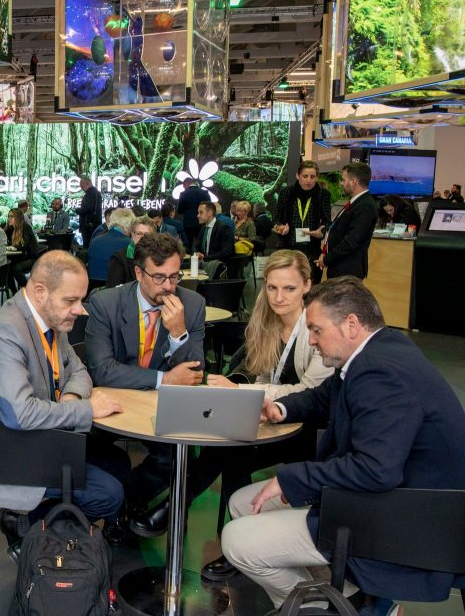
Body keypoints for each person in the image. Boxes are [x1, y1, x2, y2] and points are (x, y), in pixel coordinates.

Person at [221, 277, 465, 610]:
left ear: (351, 324)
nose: (312, 340)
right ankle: (349, 599)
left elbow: (376, 470)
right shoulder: (380, 349)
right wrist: (281, 407)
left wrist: (290, 479)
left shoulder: (380, 373)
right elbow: (324, 399)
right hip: (389, 499)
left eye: (317, 330)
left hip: (400, 516)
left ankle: (328, 608)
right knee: (242, 503)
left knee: (236, 539)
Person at [131, 251, 332, 574]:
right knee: (227, 445)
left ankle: (178, 509)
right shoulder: (266, 322)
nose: (278, 297)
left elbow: (311, 394)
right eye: (271, 288)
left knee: (231, 451)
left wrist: (243, 392)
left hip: (310, 430)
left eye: (289, 289)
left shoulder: (318, 328)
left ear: (307, 285)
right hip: (272, 418)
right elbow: (266, 375)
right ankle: (231, 542)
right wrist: (250, 394)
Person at [0, 250, 129, 557]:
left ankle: (38, 529)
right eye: (71, 300)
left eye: (81, 299)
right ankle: (31, 532)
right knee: (109, 494)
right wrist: (86, 409)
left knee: (119, 464)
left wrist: (72, 397)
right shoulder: (6, 329)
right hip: (3, 452)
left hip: (32, 439)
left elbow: (78, 370)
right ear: (40, 291)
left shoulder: (48, 319)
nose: (81, 310)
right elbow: (19, 414)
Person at [86, 233, 207, 520]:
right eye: (159, 277)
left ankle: (125, 504)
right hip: (111, 403)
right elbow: (102, 370)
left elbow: (195, 374)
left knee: (180, 456)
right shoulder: (106, 303)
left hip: (159, 407)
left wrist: (178, 333)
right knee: (79, 445)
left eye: (174, 277)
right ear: (139, 272)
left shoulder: (192, 305)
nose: (168, 287)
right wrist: (164, 379)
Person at [274, 160, 331, 283]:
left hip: (312, 249)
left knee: (310, 286)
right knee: (288, 284)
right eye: (305, 176)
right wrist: (281, 227)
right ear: (297, 176)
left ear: (317, 177)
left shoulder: (323, 194)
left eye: (312, 177)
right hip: (288, 247)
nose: (308, 180)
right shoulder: (286, 192)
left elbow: (327, 221)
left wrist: (321, 233)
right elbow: (277, 218)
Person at [317, 162, 377, 279]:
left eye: (343, 180)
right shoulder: (356, 202)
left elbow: (351, 241)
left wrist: (327, 259)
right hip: (340, 268)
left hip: (347, 270)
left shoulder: (365, 206)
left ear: (353, 182)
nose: (341, 183)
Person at [106, 216, 156, 287]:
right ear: (132, 235)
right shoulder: (118, 259)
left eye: (147, 235)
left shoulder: (160, 256)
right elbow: (113, 290)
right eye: (139, 233)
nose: (143, 238)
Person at [86, 208, 134, 283]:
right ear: (129, 226)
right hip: (117, 290)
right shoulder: (130, 244)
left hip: (93, 290)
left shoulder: (94, 241)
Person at [4, 207, 40, 292]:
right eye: (9, 216)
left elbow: (23, 246)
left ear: (18, 218)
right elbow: (5, 243)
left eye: (12, 216)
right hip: (18, 258)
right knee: (6, 269)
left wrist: (11, 247)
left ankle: (28, 292)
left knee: (16, 269)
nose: (9, 219)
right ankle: (15, 293)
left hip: (30, 258)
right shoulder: (9, 229)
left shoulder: (26, 228)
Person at [177, 178, 211, 249]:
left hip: (188, 224)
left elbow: (179, 210)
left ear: (185, 184)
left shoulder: (183, 194)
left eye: (184, 186)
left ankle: (188, 259)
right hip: (202, 223)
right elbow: (210, 207)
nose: (184, 188)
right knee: (202, 245)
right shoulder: (204, 192)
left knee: (187, 246)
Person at [77, 176, 103, 247]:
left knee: (87, 246)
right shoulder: (96, 192)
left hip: (89, 226)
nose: (81, 188)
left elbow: (88, 208)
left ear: (87, 183)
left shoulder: (90, 193)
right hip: (93, 225)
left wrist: (77, 210)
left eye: (82, 186)